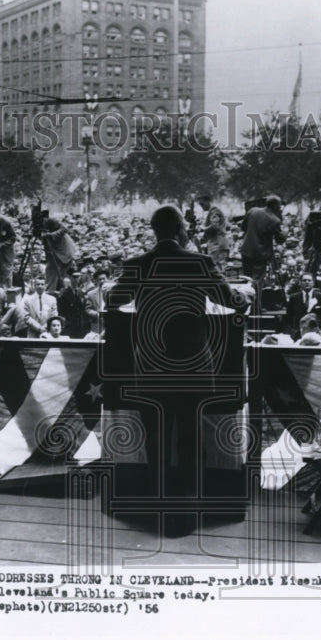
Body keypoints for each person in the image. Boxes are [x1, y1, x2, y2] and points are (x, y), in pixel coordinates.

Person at [106, 205, 241, 538]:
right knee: (191, 439)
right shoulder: (199, 262)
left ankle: (161, 510)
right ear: (182, 229)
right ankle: (188, 511)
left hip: (151, 365)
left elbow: (113, 301)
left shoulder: (138, 265)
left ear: (154, 230)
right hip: (194, 366)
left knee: (156, 440)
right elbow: (233, 301)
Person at [240, 195, 285, 292]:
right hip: (260, 254)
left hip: (246, 251)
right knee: (257, 281)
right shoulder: (275, 220)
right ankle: (255, 305)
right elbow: (280, 240)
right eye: (279, 205)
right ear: (276, 206)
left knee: (246, 279)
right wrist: (283, 234)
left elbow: (243, 227)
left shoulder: (253, 210)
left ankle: (245, 302)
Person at [284, 272, 321, 337]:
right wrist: (294, 329)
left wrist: (318, 327)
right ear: (300, 283)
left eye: (309, 280)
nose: (307, 282)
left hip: (316, 332)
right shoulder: (294, 297)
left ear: (313, 283)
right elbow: (289, 315)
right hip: (298, 332)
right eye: (304, 280)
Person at [41, 217, 77, 294]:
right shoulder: (49, 226)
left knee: (52, 274)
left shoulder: (56, 225)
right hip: (62, 254)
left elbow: (64, 229)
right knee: (56, 276)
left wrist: (49, 235)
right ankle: (60, 292)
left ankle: (50, 293)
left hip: (64, 255)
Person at [200, 200, 231, 269]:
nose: (202, 207)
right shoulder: (214, 213)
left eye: (202, 204)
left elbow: (212, 227)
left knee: (217, 267)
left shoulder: (214, 212)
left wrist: (202, 228)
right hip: (220, 246)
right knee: (221, 267)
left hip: (216, 246)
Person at [83, 270, 109, 337]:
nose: (102, 281)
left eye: (104, 278)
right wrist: (96, 314)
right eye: (100, 279)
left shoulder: (114, 292)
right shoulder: (91, 294)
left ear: (108, 279)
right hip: (97, 324)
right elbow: (88, 309)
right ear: (96, 281)